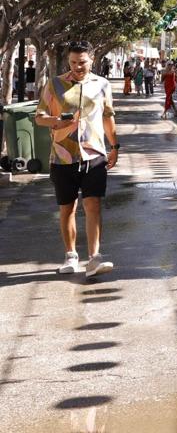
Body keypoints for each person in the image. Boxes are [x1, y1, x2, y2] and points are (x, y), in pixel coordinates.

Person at [33, 41, 119, 278]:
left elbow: (108, 116)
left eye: (82, 62)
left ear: (92, 59)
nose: (77, 67)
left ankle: (95, 257)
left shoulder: (102, 84)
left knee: (93, 204)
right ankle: (71, 256)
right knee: (67, 208)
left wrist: (115, 145)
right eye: (73, 62)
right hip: (62, 156)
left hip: (94, 154)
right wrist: (56, 122)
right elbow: (39, 117)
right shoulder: (55, 84)